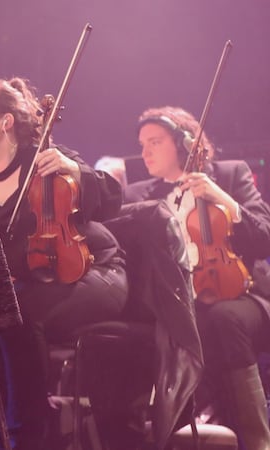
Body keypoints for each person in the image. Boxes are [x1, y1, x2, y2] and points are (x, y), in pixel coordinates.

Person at [0, 78, 127, 449]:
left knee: (17, 316)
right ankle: (15, 413)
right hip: (39, 281)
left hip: (94, 270)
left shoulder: (48, 158)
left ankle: (30, 433)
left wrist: (75, 170)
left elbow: (113, 199)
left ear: (5, 122)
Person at [125, 106, 270, 450]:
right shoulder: (139, 195)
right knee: (183, 325)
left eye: (155, 142)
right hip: (181, 304)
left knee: (223, 317)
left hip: (242, 295)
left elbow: (264, 237)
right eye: (142, 143)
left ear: (182, 143)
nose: (144, 152)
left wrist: (221, 198)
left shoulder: (230, 174)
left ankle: (256, 440)